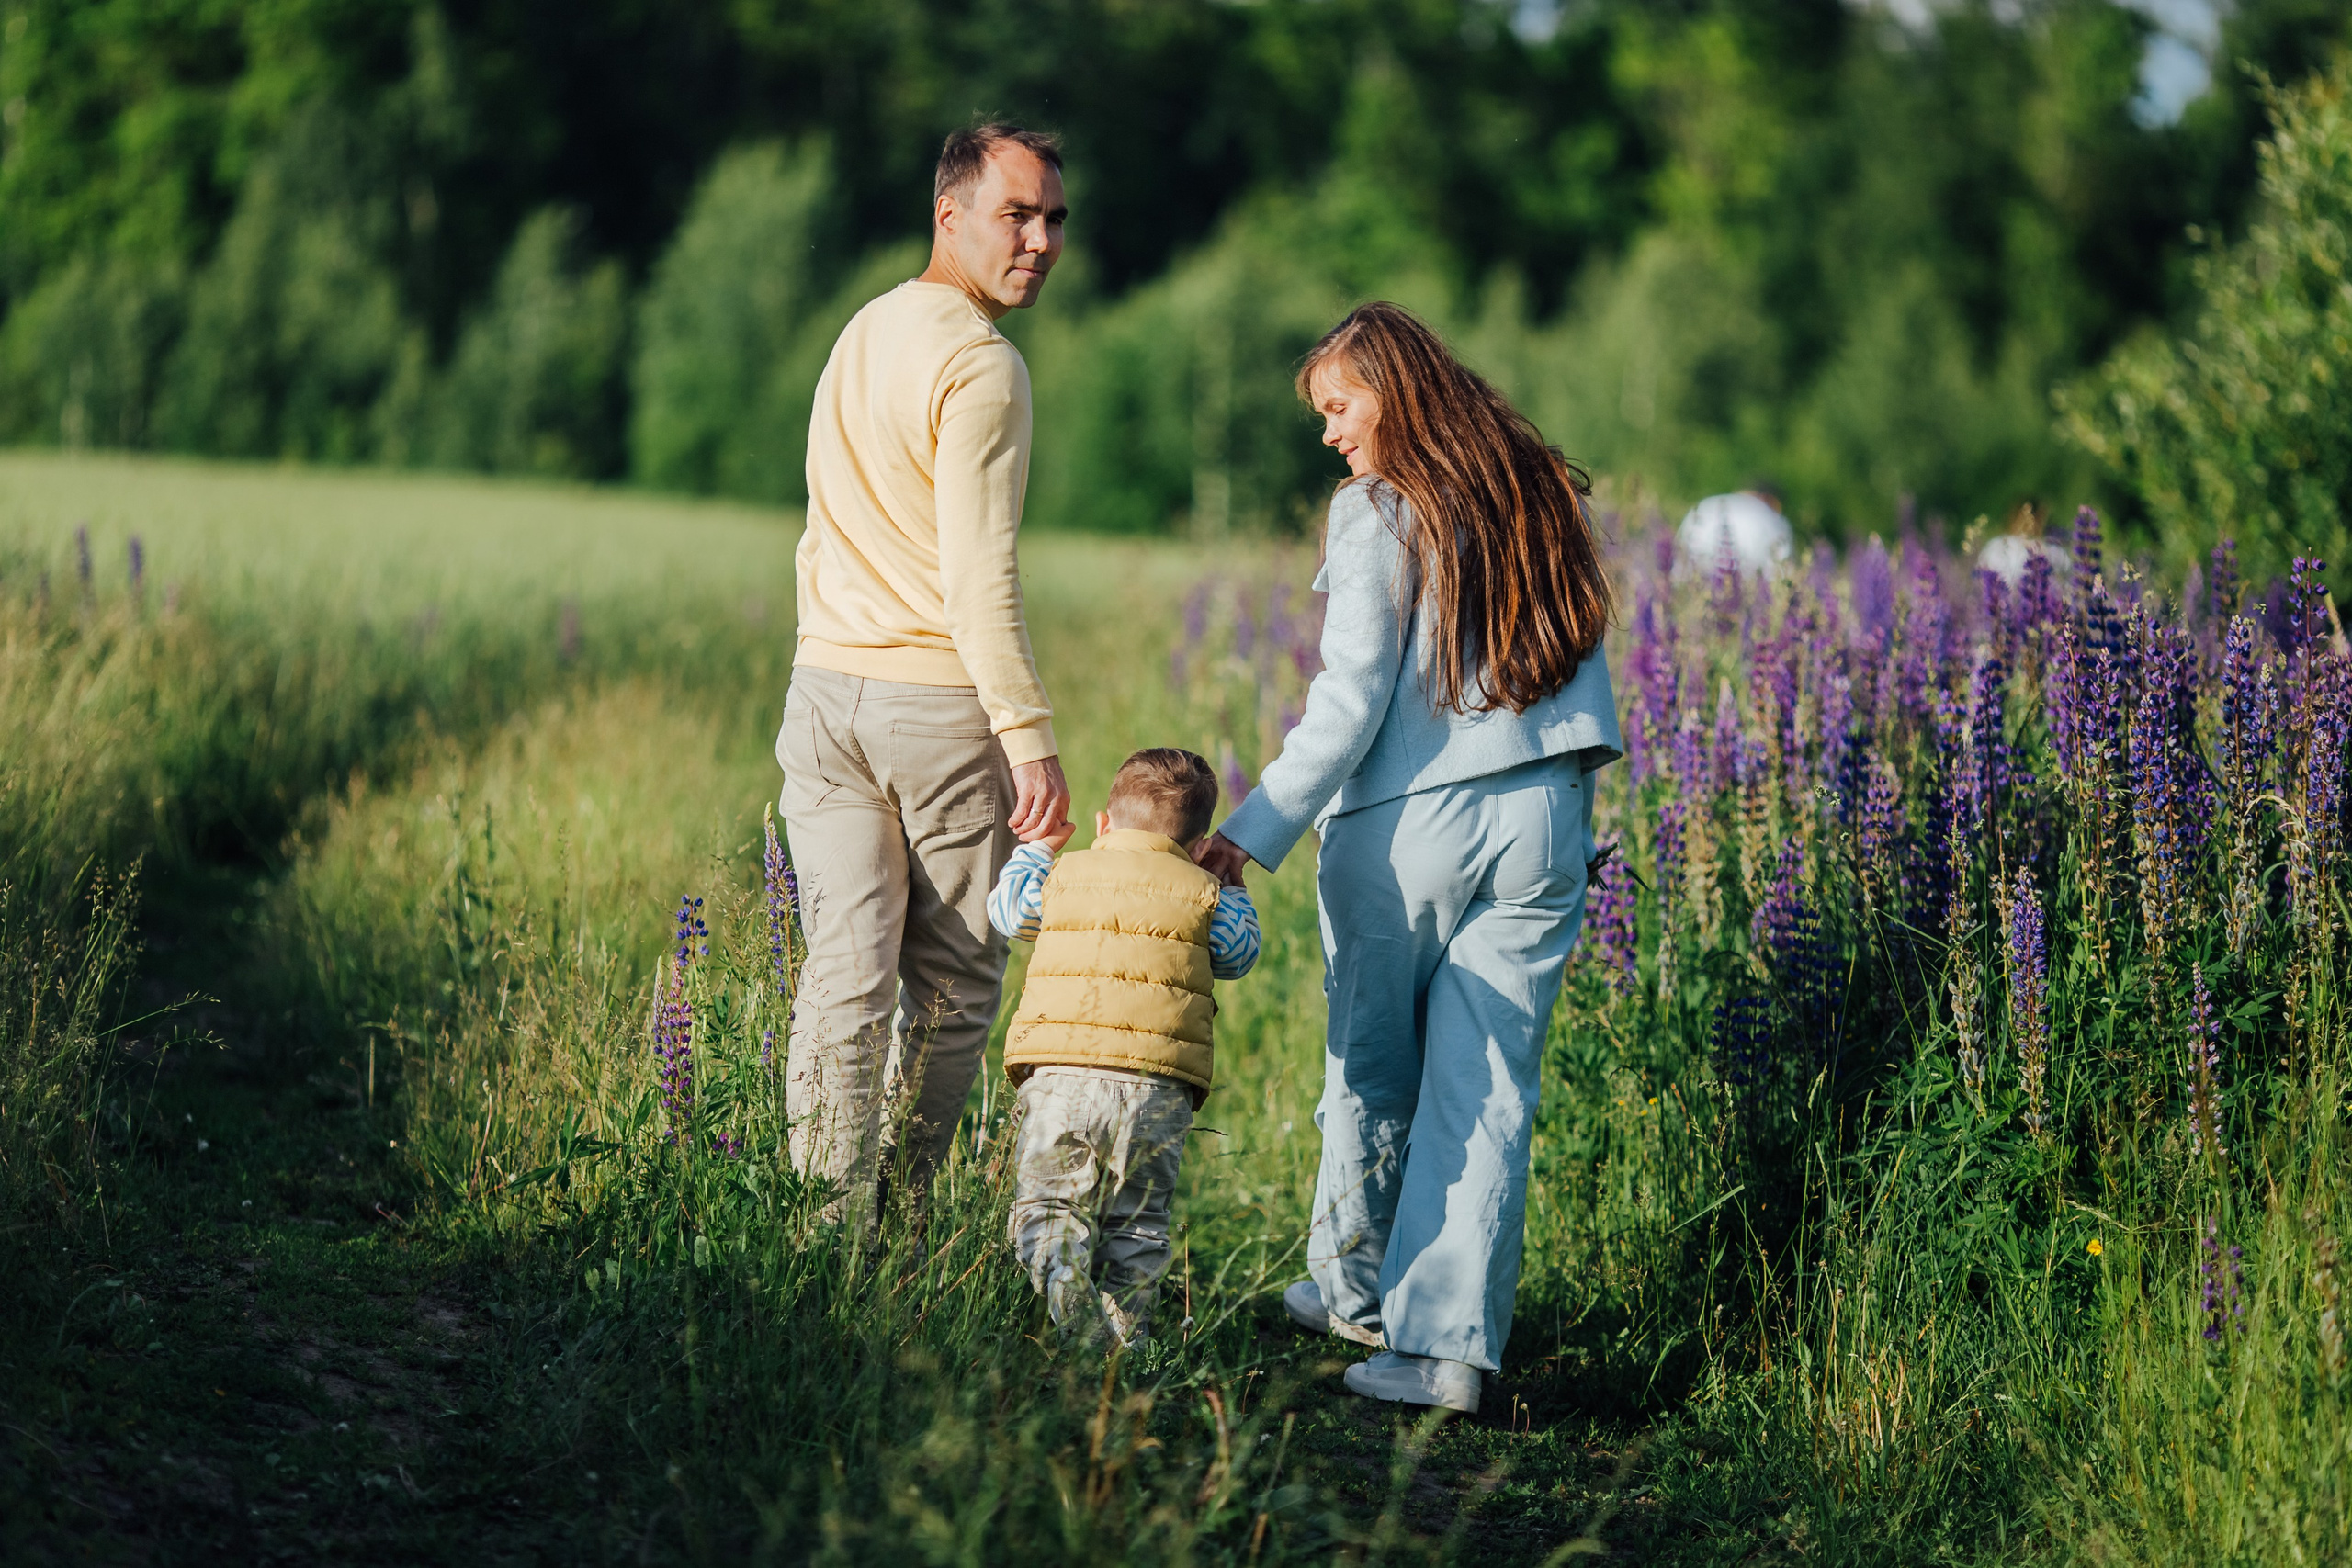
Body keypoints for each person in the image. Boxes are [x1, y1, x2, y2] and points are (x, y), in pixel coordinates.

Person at [1195, 302, 1621, 1415]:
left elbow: (1349, 700)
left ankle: (1353, 1294)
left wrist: (1248, 832)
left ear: (1399, 391)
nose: (1330, 433)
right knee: (1484, 1088)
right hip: (1548, 808)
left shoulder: (1378, 508)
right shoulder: (1540, 491)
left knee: (1371, 1063)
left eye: (1340, 408)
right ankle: (1445, 1355)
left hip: (1410, 820)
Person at [778, 123, 1076, 1228]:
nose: (1040, 240)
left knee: (842, 979)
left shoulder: (864, 328)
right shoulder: (982, 365)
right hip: (936, 711)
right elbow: (977, 579)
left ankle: (819, 1231)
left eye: (1054, 219)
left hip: (822, 696)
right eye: (1018, 214)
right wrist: (1028, 734)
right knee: (954, 991)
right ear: (949, 213)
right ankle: (899, 1224)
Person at [988, 749, 1261, 1345]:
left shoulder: (1066, 874)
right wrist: (1231, 884)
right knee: (1136, 1231)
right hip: (1159, 1090)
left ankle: (1074, 1313)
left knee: (1046, 1211)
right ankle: (1126, 1354)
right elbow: (1239, 953)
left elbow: (1006, 910)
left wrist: (1037, 849)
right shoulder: (1203, 890)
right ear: (1199, 846)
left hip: (1061, 1079)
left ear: (1103, 823)